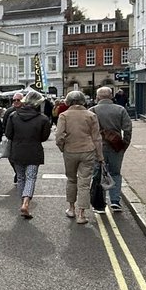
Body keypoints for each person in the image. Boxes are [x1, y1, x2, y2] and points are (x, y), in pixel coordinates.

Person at [55, 90, 104, 225]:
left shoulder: (63, 115)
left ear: (68, 101)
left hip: (70, 151)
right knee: (84, 183)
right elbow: (97, 138)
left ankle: (71, 208)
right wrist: (100, 156)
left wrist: (62, 148)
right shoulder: (91, 115)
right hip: (88, 150)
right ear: (83, 101)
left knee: (71, 179)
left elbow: (59, 136)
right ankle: (82, 214)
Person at [5, 90, 51, 218]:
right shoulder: (43, 119)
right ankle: (26, 203)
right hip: (34, 151)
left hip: (17, 151)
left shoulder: (13, 116)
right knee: (31, 178)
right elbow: (44, 137)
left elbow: (8, 134)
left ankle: (22, 203)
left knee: (20, 178)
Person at [92, 86, 132, 212]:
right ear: (111, 96)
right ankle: (115, 201)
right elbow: (128, 128)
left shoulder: (92, 110)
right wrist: (124, 144)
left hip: (98, 147)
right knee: (115, 173)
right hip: (116, 146)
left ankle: (100, 205)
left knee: (98, 174)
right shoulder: (120, 109)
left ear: (98, 97)